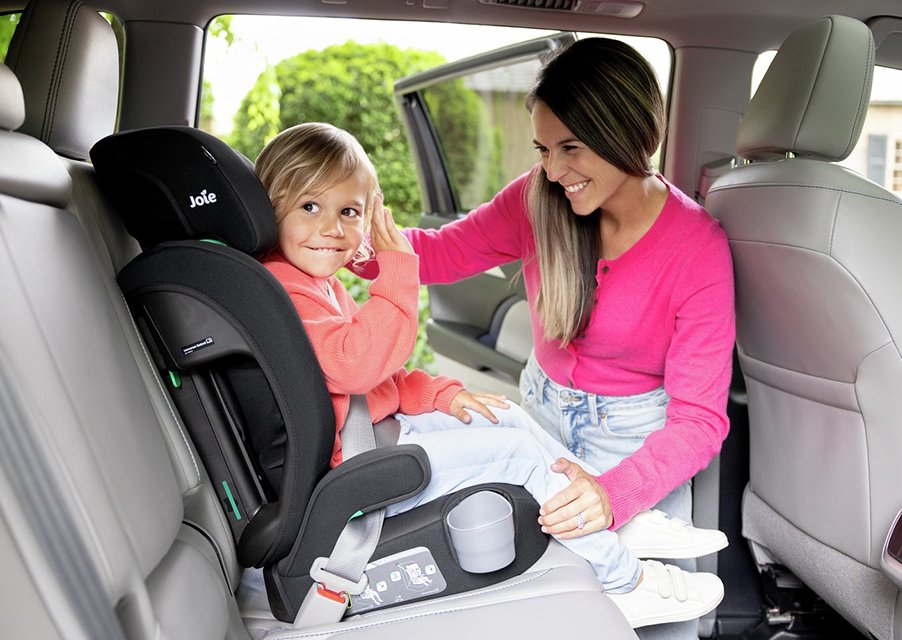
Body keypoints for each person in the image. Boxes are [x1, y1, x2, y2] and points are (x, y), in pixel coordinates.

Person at [253, 121, 725, 628]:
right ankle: (621, 582)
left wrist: (439, 394)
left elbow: (370, 381)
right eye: (309, 207)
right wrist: (391, 263)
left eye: (349, 212)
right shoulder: (288, 289)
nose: (331, 228)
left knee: (506, 419)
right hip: (359, 459)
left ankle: (612, 515)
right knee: (518, 451)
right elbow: (359, 363)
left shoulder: (312, 283)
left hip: (377, 436)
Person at [400, 38, 736, 638]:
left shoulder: (696, 249)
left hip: (637, 444)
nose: (553, 170)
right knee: (548, 611)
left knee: (650, 624)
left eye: (571, 148)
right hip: (542, 419)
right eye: (544, 149)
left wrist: (613, 495)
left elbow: (698, 420)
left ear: (629, 132)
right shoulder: (538, 199)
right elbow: (440, 253)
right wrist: (347, 241)